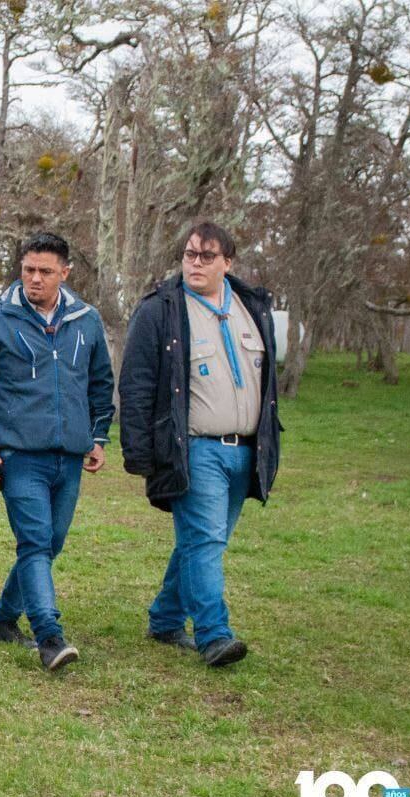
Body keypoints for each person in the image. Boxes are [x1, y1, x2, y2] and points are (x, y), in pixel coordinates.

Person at [118, 221, 280, 667]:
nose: (195, 263)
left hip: (246, 449)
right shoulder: (161, 310)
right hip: (195, 449)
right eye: (190, 254)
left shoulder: (252, 307)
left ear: (228, 262)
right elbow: (136, 384)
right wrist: (139, 454)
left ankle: (166, 617)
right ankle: (214, 635)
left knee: (203, 541)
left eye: (207, 257)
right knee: (205, 542)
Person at [0, 233, 114, 671]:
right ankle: (49, 635)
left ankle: (3, 619)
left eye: (45, 271)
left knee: (50, 543)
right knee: (34, 542)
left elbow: (101, 383)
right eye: (28, 270)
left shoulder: (87, 320)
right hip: (18, 455)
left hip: (70, 456)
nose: (35, 279)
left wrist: (99, 436)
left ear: (65, 272)